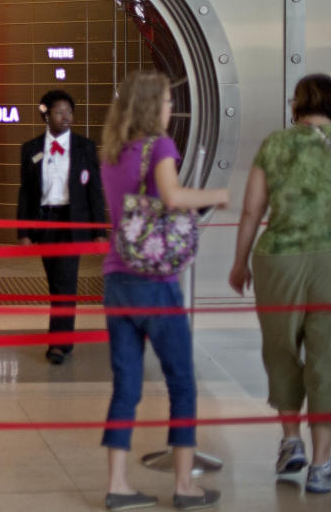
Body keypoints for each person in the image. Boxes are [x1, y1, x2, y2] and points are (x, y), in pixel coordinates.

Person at [99, 71, 228, 511]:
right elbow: (171, 197)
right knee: (182, 382)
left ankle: (118, 485)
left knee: (125, 384)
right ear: (154, 106)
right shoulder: (161, 147)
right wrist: (218, 194)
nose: (172, 110)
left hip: (117, 278)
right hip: (155, 282)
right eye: (169, 102)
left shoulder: (111, 153)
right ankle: (184, 486)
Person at [228, 73, 331, 494]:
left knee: (281, 350)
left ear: (297, 106)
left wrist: (239, 262)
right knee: (327, 360)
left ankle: (292, 443)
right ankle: (322, 465)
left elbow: (252, 210)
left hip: (277, 262)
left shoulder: (275, 143)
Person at [17, 89, 107, 364]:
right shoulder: (31, 149)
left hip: (71, 223)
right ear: (46, 115)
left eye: (69, 111)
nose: (66, 116)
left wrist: (99, 231)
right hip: (45, 223)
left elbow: (94, 191)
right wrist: (23, 232)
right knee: (56, 284)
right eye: (59, 111)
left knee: (65, 283)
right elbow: (27, 193)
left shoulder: (85, 147)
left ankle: (59, 344)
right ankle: (62, 338)